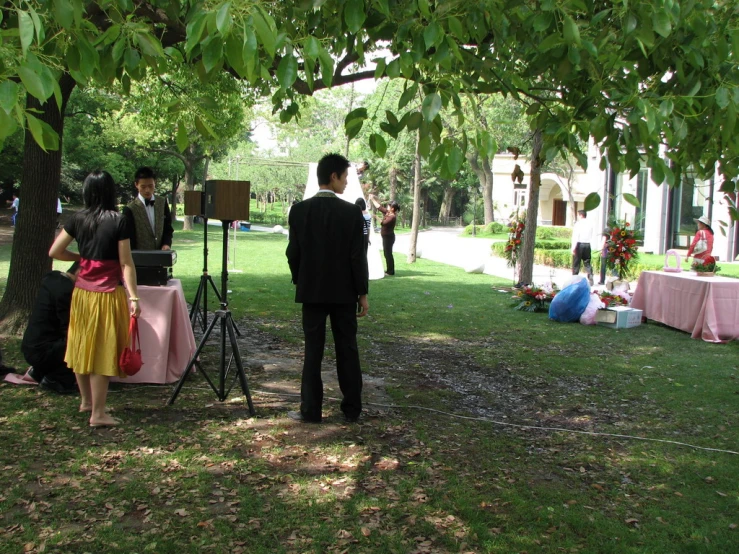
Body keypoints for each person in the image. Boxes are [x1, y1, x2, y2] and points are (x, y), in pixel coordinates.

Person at [49, 170, 140, 427]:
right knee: (102, 349)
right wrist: (134, 297)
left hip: (82, 293)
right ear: (111, 191)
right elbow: (126, 263)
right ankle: (98, 414)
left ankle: (86, 402)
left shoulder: (77, 218)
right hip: (107, 294)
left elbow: (55, 251)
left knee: (81, 345)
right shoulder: (118, 220)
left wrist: (79, 258)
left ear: (87, 191)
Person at [286, 153, 369, 423]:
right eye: (345, 177)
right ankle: (352, 409)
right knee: (347, 348)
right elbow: (357, 257)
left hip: (312, 291)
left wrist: (301, 278)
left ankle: (310, 410)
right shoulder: (351, 213)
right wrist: (362, 292)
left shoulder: (298, 211)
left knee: (313, 351)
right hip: (344, 292)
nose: (346, 183)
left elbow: (293, 253)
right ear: (333, 177)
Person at [21, 262, 81, 394]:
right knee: (80, 342)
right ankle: (57, 379)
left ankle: (40, 371)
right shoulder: (65, 291)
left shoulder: (53, 279)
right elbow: (69, 328)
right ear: (79, 273)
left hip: (33, 347)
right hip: (43, 350)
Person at [122, 167, 174, 251]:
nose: (147, 190)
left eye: (150, 186)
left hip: (160, 257)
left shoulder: (162, 202)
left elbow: (168, 228)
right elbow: (129, 238)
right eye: (143, 187)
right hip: (139, 259)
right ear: (136, 185)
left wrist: (166, 244)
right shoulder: (130, 209)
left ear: (155, 183)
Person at [369, 196, 399, 276]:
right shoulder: (388, 213)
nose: (387, 207)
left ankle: (390, 271)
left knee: (388, 253)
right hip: (386, 237)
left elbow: (383, 223)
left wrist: (376, 217)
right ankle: (389, 270)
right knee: (387, 253)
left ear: (392, 208)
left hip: (389, 238)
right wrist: (372, 199)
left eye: (389, 206)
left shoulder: (392, 217)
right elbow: (379, 207)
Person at [571, 209, 594, 285]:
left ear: (580, 215)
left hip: (579, 244)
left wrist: (573, 247)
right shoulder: (590, 223)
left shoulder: (578, 224)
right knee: (587, 262)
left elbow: (575, 236)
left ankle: (574, 278)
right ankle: (590, 275)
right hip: (587, 244)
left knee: (576, 262)